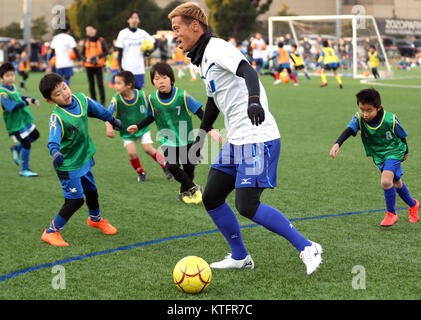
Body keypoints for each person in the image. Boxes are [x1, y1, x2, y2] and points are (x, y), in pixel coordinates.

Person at [168, 2, 323, 275]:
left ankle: (307, 246)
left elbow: (248, 70)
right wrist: (201, 135)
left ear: (195, 26)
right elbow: (214, 99)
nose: (174, 35)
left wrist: (254, 101)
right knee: (213, 197)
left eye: (177, 28)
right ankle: (240, 257)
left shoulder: (217, 48)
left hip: (257, 137)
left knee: (247, 205)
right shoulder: (204, 57)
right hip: (237, 140)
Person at [38, 73, 123, 247]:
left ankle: (95, 219)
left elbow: (98, 110)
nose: (65, 93)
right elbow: (52, 140)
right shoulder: (57, 117)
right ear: (50, 100)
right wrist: (55, 153)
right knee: (75, 199)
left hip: (82, 157)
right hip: (67, 164)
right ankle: (51, 232)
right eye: (58, 94)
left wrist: (112, 120)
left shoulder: (81, 99)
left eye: (64, 88)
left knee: (91, 190)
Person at [127, 62, 221, 204]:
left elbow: (200, 112)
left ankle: (183, 192)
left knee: (189, 169)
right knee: (172, 166)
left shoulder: (182, 95)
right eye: (157, 79)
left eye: (164, 77)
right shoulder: (152, 99)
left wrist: (211, 130)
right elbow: (151, 116)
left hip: (187, 139)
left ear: (171, 79)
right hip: (167, 140)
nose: (160, 81)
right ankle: (195, 188)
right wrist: (138, 127)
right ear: (153, 82)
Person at [329, 88, 419, 227]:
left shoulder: (390, 119)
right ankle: (413, 205)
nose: (365, 114)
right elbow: (349, 130)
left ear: (379, 108)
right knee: (396, 183)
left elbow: (402, 135)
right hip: (378, 155)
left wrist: (405, 150)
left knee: (385, 181)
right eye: (361, 109)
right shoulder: (359, 118)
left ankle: (391, 214)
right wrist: (337, 144)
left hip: (394, 152)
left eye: (369, 110)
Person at [105, 70, 172, 182]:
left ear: (129, 85)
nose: (115, 86)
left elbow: (152, 108)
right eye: (115, 83)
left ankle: (166, 166)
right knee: (132, 153)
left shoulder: (141, 95)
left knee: (148, 148)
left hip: (142, 127)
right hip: (127, 131)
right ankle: (141, 172)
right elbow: (106, 115)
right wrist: (109, 127)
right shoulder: (116, 100)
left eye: (118, 83)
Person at [0, 62, 40, 177]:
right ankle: (24, 169)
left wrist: (31, 99)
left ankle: (16, 148)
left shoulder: (13, 87)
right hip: (14, 123)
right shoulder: (2, 92)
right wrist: (25, 103)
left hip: (23, 119)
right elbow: (11, 107)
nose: (11, 77)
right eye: (7, 75)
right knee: (27, 144)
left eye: (12, 75)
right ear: (1, 78)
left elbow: (18, 97)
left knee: (35, 135)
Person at [115, 10, 155, 89]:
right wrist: (120, 67)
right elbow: (119, 51)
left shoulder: (143, 33)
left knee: (138, 92)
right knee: (127, 92)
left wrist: (149, 52)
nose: (134, 20)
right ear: (128, 20)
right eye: (132, 18)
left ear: (139, 20)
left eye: (136, 18)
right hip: (126, 69)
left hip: (139, 69)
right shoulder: (122, 33)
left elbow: (154, 43)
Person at [81, 25, 108, 105]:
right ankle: (93, 101)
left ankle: (103, 101)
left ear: (95, 30)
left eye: (91, 29)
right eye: (88, 30)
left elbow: (106, 52)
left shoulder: (101, 40)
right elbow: (81, 54)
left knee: (100, 84)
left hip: (98, 65)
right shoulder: (85, 42)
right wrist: (87, 59)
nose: (90, 31)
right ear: (86, 33)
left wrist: (98, 57)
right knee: (91, 84)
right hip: (89, 66)